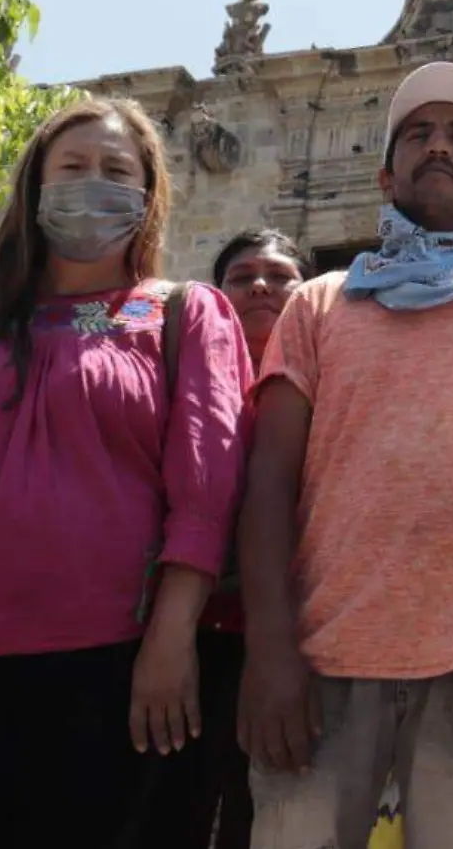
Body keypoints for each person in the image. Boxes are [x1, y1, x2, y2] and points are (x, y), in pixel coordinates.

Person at [0, 98, 254, 849]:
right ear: (34, 186)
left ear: (148, 197)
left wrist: (171, 642)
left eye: (116, 170)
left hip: (107, 666)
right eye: (72, 166)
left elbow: (206, 485)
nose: (92, 182)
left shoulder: (181, 314)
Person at [238, 60, 453, 849]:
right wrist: (269, 652)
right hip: (322, 657)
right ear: (385, 174)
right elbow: (268, 485)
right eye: (417, 133)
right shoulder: (318, 303)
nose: (436, 145)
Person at [139, 228, 313, 849]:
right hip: (189, 636)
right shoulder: (183, 385)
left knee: (265, 815)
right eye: (242, 277)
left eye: (279, 275)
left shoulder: (333, 393)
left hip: (292, 643)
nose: (261, 285)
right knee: (166, 809)